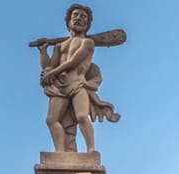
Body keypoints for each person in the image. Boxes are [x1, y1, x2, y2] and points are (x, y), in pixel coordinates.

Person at [36, 3, 119, 153]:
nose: (79, 19)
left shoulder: (88, 43)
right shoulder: (59, 46)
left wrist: (52, 73)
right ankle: (60, 153)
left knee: (82, 116)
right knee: (51, 120)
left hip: (78, 84)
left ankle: (91, 149)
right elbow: (49, 67)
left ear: (87, 25)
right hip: (60, 86)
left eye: (83, 17)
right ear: (68, 21)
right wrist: (43, 52)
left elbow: (73, 61)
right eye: (75, 16)